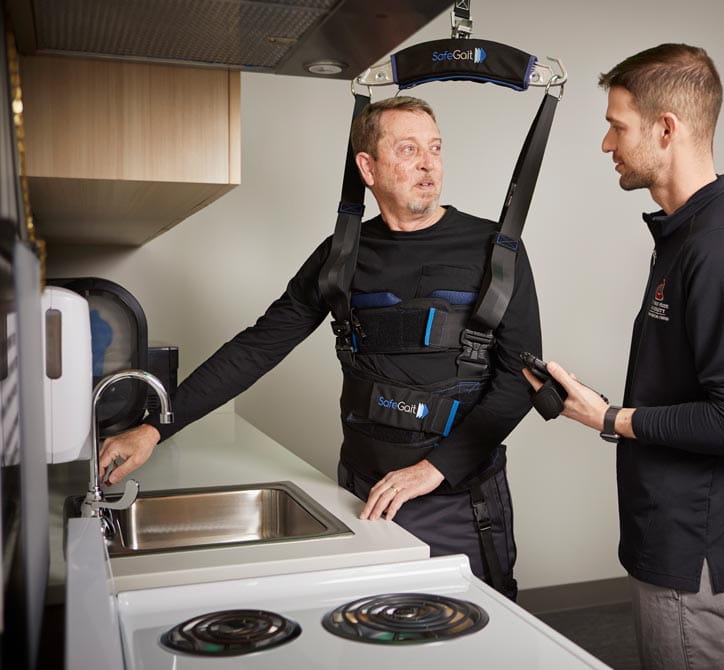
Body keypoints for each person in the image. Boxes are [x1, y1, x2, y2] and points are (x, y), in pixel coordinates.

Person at [100, 96, 541, 599]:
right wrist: (157, 427)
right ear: (367, 168)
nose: (428, 164)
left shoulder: (495, 252)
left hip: (458, 501)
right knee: (373, 634)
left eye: (435, 148)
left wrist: (433, 470)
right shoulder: (340, 257)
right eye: (408, 149)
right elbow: (257, 347)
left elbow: (520, 381)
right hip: (360, 493)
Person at [524, 44, 724, 668]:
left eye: (617, 126)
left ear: (666, 129)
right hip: (673, 535)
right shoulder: (685, 234)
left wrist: (611, 418)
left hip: (693, 547)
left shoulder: (721, 247)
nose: (606, 144)